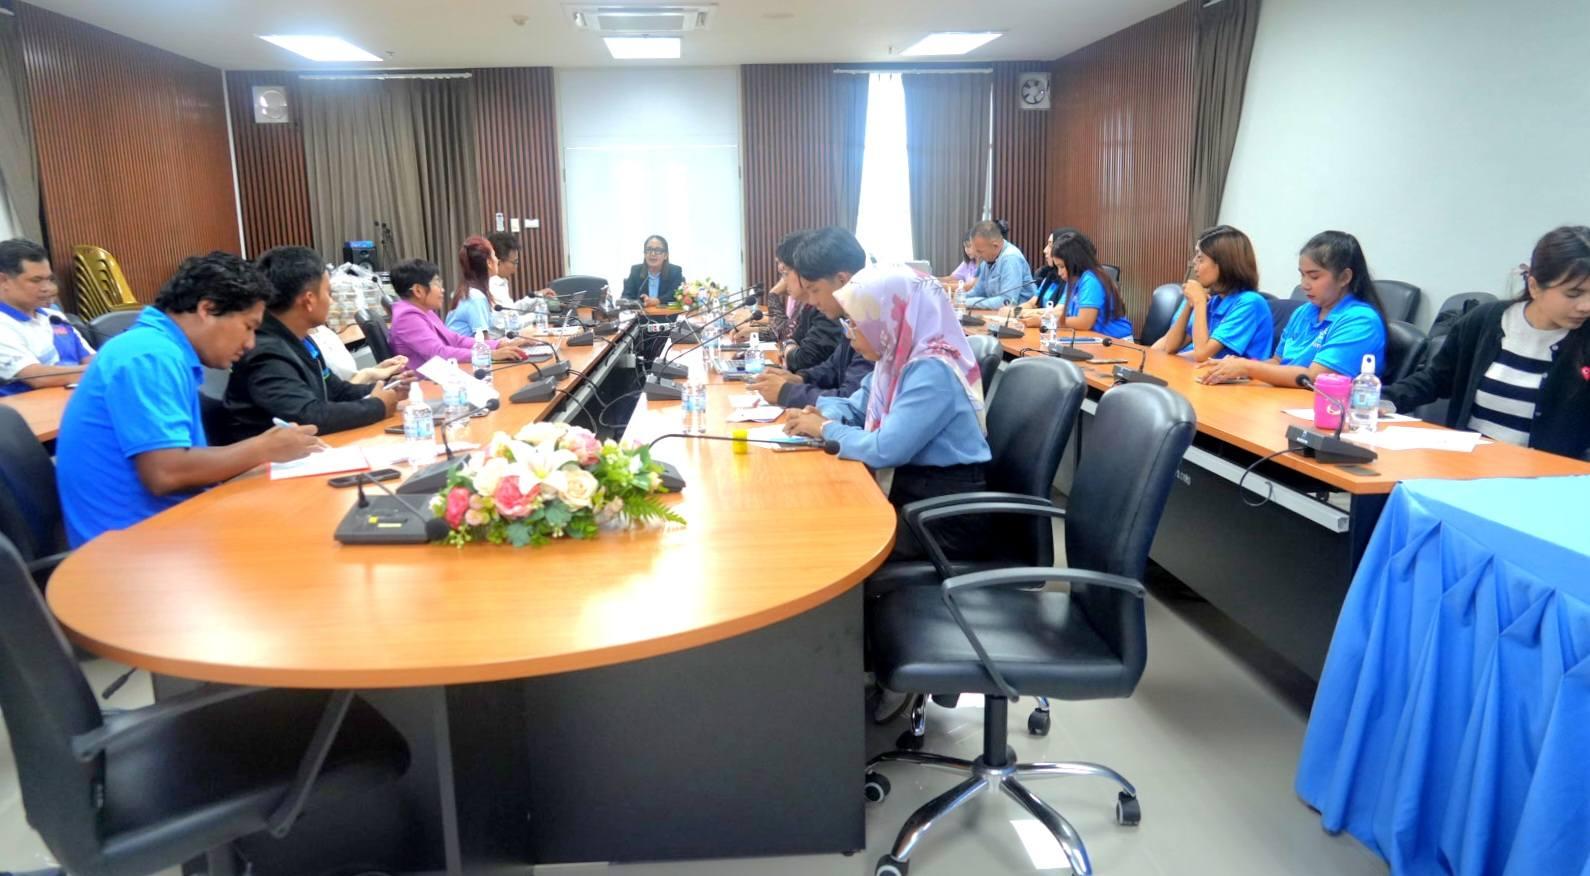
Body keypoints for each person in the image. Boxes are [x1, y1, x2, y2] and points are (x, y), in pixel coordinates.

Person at [55, 252, 323, 546]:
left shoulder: (162, 348)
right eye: (248, 327)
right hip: (135, 547)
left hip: (169, 528)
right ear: (207, 309)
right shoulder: (150, 355)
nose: (250, 343)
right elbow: (166, 472)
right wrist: (264, 448)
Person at [784, 261, 991, 561]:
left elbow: (885, 449)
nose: (849, 335)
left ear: (890, 316)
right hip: (910, 491)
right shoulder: (895, 358)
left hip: (941, 515)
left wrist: (826, 428)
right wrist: (816, 414)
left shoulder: (933, 369)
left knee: (825, 535)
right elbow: (858, 407)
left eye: (855, 324)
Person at [1382, 225, 1590, 459]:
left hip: (1546, 475)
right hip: (1467, 466)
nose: (1586, 306)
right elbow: (1437, 379)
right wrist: (1386, 400)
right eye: (1573, 294)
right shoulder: (1485, 321)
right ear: (1534, 286)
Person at [218, 246, 409, 444]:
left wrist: (388, 388)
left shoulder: (300, 338)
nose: (331, 301)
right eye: (328, 293)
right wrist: (377, 406)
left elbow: (337, 391)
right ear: (308, 300)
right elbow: (306, 415)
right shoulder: (265, 350)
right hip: (270, 461)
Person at [1200, 231, 1387, 386]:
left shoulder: (1361, 320)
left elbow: (1314, 378)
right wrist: (1235, 370)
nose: (1304, 284)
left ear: (1344, 277)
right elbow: (1278, 361)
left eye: (1314, 277)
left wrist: (1248, 367)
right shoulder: (1304, 312)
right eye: (1302, 275)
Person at [750, 227, 873, 407]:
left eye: (814, 290)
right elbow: (832, 368)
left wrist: (786, 392)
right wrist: (800, 379)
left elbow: (851, 400)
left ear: (842, 280)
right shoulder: (852, 317)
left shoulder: (874, 325)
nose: (813, 301)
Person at [1152, 225, 1272, 361]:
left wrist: (1199, 302)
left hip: (1240, 375)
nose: (1194, 263)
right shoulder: (1216, 301)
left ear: (1223, 263)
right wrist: (1189, 304)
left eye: (1200, 258)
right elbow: (1170, 347)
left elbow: (1202, 354)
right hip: (1207, 372)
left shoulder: (1250, 303)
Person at [0, 238, 95, 395]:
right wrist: (102, 369)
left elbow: (90, 358)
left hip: (73, 399)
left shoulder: (54, 317)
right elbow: (38, 377)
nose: (47, 288)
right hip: (26, 406)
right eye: (36, 280)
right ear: (3, 280)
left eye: (49, 279)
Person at [388, 258, 529, 364]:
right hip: (425, 386)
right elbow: (438, 353)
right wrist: (490, 354)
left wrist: (499, 344)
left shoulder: (423, 311)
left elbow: (456, 340)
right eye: (437, 283)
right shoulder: (407, 317)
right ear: (418, 290)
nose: (442, 290)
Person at [1008, 228, 1133, 338]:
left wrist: (1044, 322)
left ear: (1075, 262)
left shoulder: (1091, 280)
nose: (1059, 273)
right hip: (1091, 339)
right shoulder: (1073, 281)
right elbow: (1065, 315)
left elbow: (1084, 322)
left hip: (1116, 342)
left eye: (1062, 267)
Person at [961, 219, 1034, 310]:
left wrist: (966, 302)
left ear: (995, 245)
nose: (978, 256)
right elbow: (978, 291)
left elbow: (1007, 301)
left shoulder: (1011, 259)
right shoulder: (987, 260)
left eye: (980, 251)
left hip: (1018, 315)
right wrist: (959, 299)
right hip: (996, 313)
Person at [486, 231, 554, 311]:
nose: (516, 267)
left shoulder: (500, 281)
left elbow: (511, 309)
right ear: (498, 262)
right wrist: (540, 314)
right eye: (515, 262)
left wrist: (538, 296)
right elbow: (509, 317)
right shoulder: (491, 285)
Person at [445, 235, 498, 337]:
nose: (497, 260)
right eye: (495, 256)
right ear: (489, 263)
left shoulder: (467, 292)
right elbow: (484, 343)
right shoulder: (476, 297)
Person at [622, 235, 685, 306]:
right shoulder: (636, 271)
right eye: (649, 250)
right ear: (644, 254)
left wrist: (657, 301)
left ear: (665, 255)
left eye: (658, 250)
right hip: (641, 313)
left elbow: (674, 296)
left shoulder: (675, 271)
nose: (652, 254)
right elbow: (626, 296)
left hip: (666, 313)